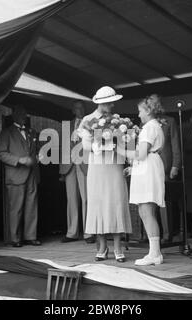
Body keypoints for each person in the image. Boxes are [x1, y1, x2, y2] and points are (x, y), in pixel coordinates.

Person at [80, 86, 132, 263]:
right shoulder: (88, 120)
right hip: (97, 166)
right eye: (110, 102)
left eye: (113, 102)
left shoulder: (118, 120)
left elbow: (127, 143)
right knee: (98, 204)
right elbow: (86, 145)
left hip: (115, 165)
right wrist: (99, 144)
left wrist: (121, 143)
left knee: (116, 201)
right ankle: (102, 246)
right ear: (101, 103)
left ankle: (118, 246)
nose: (112, 105)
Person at [117, 98, 166, 266]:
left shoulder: (150, 128)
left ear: (148, 111)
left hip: (148, 169)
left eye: (140, 111)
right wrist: (133, 169)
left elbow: (142, 153)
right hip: (147, 168)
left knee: (146, 211)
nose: (138, 114)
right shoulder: (152, 127)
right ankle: (154, 252)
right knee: (145, 211)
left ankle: (155, 254)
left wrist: (121, 151)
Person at [0, 105, 41, 247]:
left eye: (25, 114)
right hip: (16, 175)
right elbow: (1, 154)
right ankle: (15, 238)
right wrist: (19, 160)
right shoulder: (6, 133)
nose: (24, 116)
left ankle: (31, 236)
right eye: (22, 114)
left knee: (31, 206)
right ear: (14, 115)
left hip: (32, 174)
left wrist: (37, 158)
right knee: (16, 208)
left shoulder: (32, 132)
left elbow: (36, 151)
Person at [59, 100, 94, 243]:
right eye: (77, 108)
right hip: (69, 166)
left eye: (82, 107)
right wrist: (61, 170)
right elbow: (62, 148)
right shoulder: (66, 126)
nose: (80, 110)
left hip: (84, 164)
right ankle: (72, 232)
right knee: (71, 200)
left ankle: (88, 233)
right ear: (73, 110)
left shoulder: (90, 124)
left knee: (86, 199)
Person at [147, 94, 180, 243]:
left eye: (156, 103)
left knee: (164, 202)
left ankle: (167, 235)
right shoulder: (145, 123)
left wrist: (175, 165)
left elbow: (175, 144)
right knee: (149, 201)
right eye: (150, 103)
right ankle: (152, 235)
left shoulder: (170, 121)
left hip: (165, 167)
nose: (154, 106)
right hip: (148, 167)